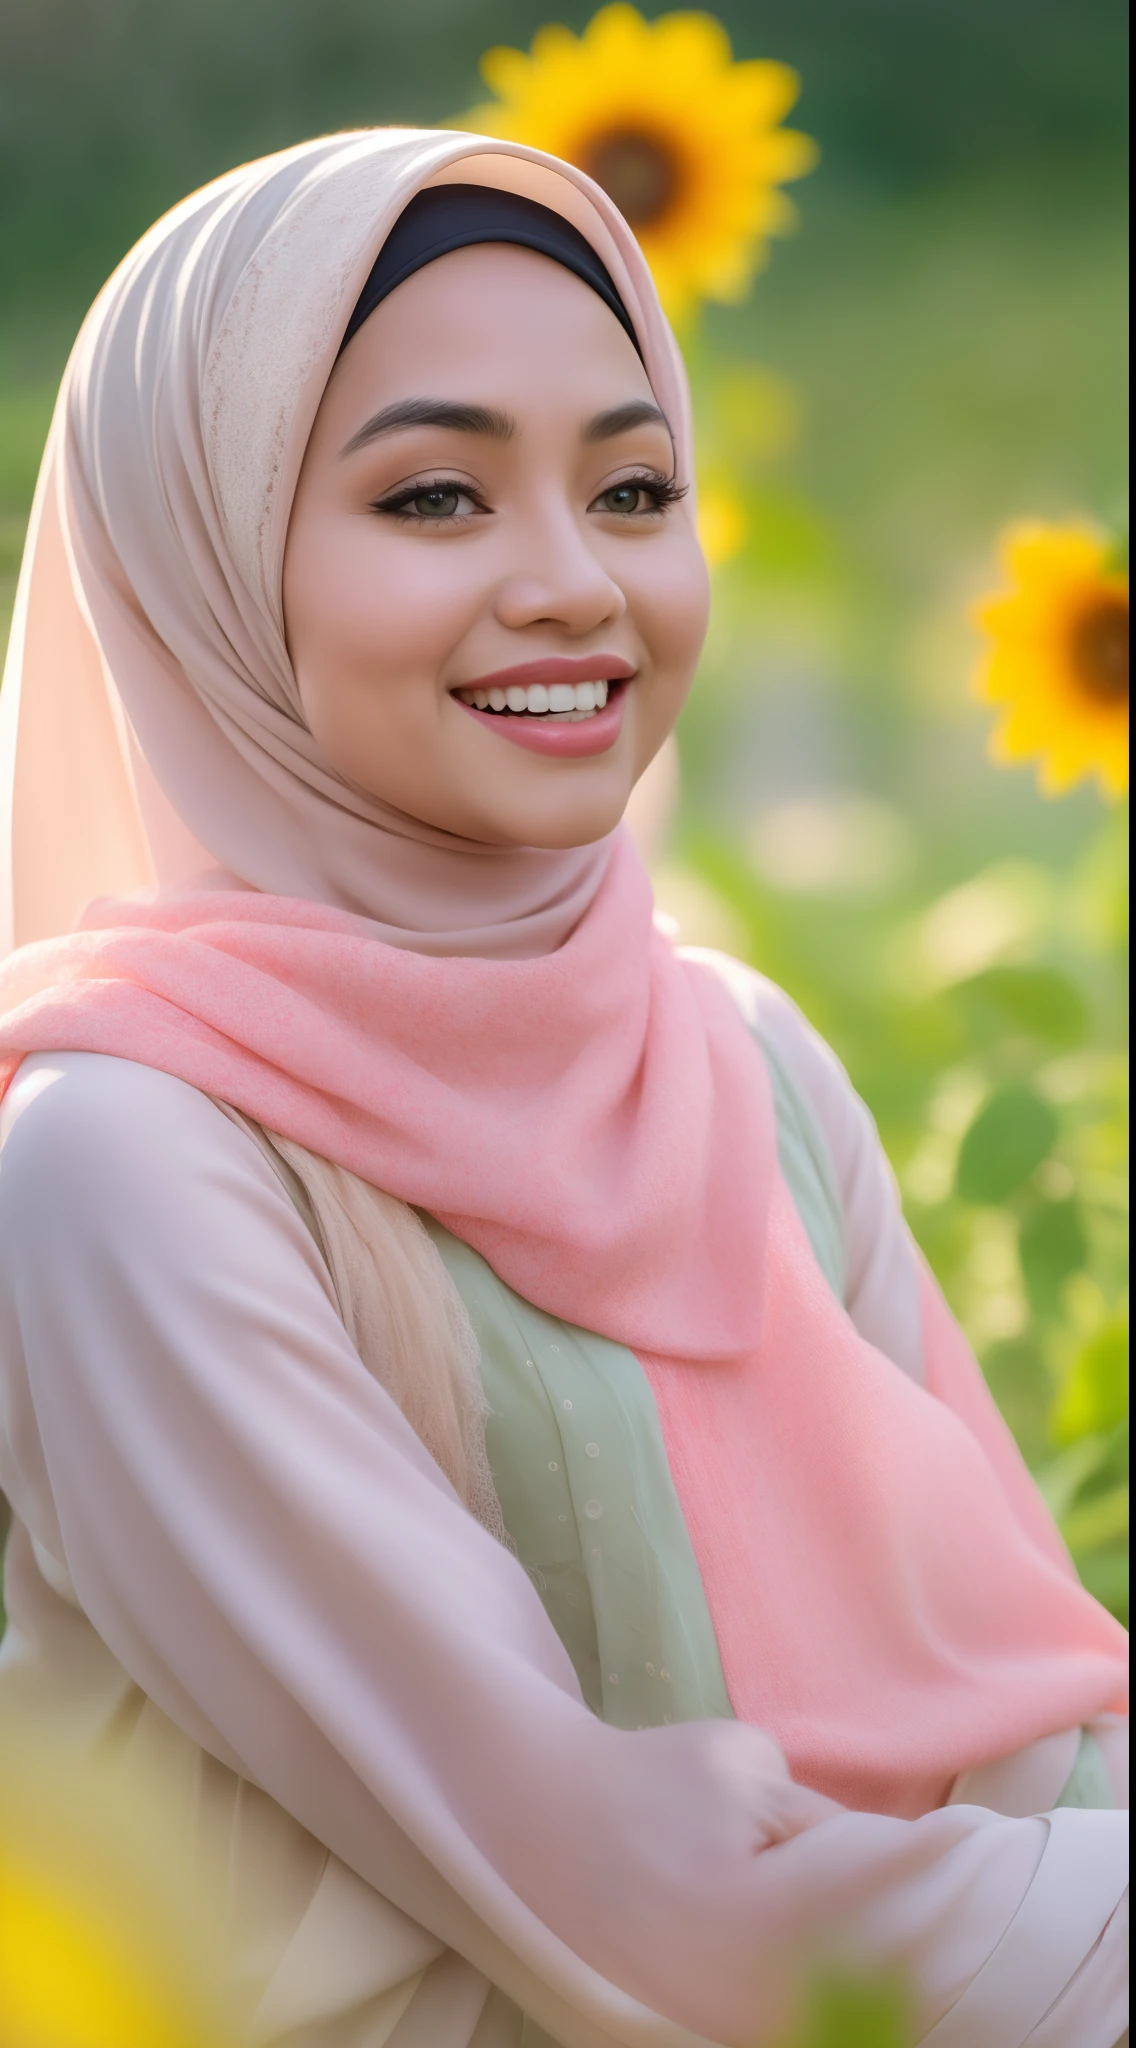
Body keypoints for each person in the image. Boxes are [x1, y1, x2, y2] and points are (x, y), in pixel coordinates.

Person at [0, 129, 1127, 2048]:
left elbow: (1016, 1713)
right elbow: (614, 1882)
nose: (572, 585)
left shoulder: (740, 1056)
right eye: (434, 497)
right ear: (200, 561)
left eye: (633, 488)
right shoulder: (122, 1163)